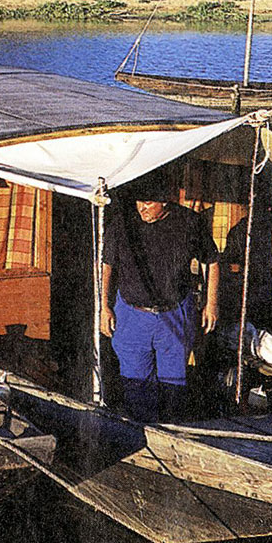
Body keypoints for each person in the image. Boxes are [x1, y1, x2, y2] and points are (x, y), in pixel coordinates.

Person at [100, 178, 219, 422]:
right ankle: (141, 432)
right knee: (135, 386)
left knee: (173, 385)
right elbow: (107, 266)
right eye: (138, 203)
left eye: (148, 204)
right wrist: (103, 307)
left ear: (165, 202)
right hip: (132, 315)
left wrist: (211, 302)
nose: (141, 209)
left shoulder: (189, 222)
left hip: (174, 314)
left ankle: (170, 430)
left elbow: (212, 261)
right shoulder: (122, 224)